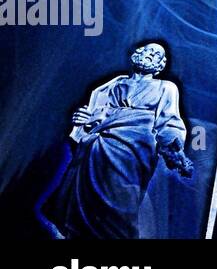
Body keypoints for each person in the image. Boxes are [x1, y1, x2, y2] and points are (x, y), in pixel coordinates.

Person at [42, 42, 192, 239]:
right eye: (146, 50)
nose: (149, 54)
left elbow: (169, 120)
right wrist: (83, 120)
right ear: (136, 54)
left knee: (121, 200)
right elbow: (93, 114)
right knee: (84, 202)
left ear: (160, 64)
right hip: (97, 147)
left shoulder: (165, 87)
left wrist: (174, 148)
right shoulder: (114, 84)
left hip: (134, 149)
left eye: (155, 53)